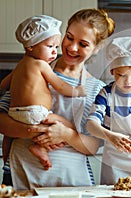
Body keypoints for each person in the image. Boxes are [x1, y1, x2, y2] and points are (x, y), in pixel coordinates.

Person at [0, 8, 115, 190]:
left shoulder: (97, 89)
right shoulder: (32, 67)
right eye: (69, 37)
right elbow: (1, 120)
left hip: (70, 180)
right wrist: (32, 131)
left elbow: (93, 146)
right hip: (22, 173)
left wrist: (66, 134)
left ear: (96, 49)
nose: (72, 47)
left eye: (83, 44)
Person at [0, 15, 86, 171]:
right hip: (36, 113)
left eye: (55, 47)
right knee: (65, 125)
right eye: (50, 46)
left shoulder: (19, 66)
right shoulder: (41, 64)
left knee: (8, 138)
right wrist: (76, 91)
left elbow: (3, 84)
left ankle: (6, 159)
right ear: (30, 46)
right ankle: (41, 148)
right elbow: (59, 85)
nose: (54, 52)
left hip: (14, 113)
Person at [86, 36, 131, 185]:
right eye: (121, 75)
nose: (128, 81)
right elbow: (91, 124)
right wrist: (110, 136)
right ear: (112, 71)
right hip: (113, 159)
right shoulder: (106, 93)